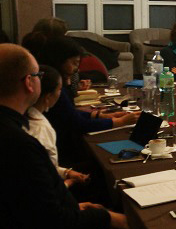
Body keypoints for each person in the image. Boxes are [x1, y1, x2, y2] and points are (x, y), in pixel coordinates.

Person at [0, 43, 128, 229]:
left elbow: (32, 201)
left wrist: (74, 206)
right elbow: (55, 224)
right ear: (29, 82)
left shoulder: (15, 130)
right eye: (38, 75)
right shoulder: (19, 143)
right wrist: (109, 218)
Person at [38, 36, 138, 167]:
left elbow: (69, 113)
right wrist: (120, 122)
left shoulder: (52, 79)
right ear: (59, 60)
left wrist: (99, 115)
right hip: (64, 153)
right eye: (74, 63)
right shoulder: (54, 88)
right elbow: (78, 124)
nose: (77, 69)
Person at [26, 65, 90, 188]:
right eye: (60, 89)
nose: (61, 94)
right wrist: (67, 183)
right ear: (48, 97)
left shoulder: (29, 116)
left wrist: (66, 172)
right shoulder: (40, 130)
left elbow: (46, 166)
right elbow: (42, 186)